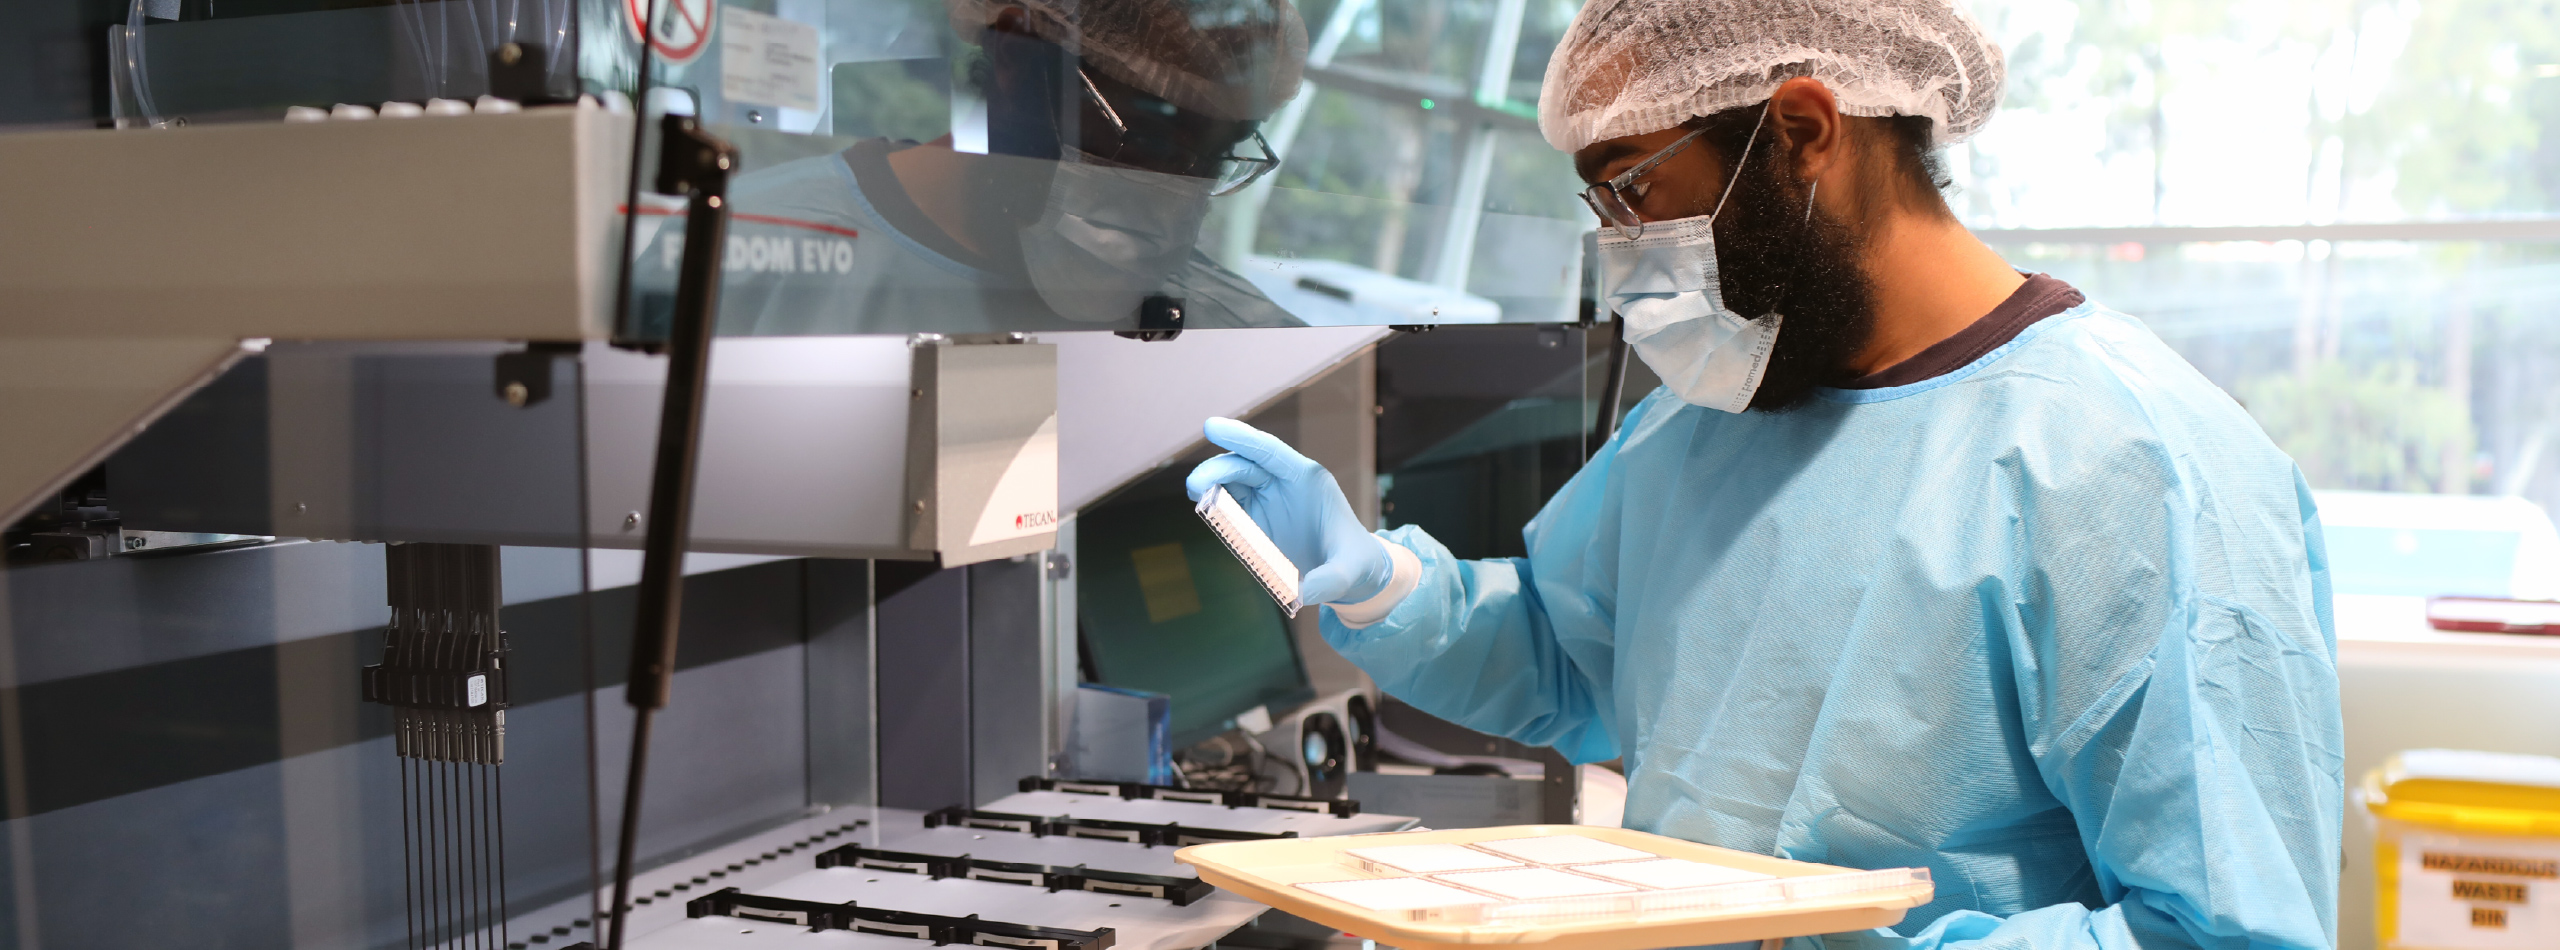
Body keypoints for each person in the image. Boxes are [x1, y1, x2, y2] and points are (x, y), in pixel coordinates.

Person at [1187, 1, 2343, 948]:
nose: (1621, 248)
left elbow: (2227, 928)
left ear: (1800, 130)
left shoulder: (2139, 469)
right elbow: (1576, 651)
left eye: (1632, 189)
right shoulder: (1712, 416)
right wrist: (1386, 582)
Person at [634, 0, 1308, 334]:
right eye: (1149, 136)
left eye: (1215, 153)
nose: (1177, 191)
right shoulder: (744, 253)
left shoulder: (1234, 333)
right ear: (1015, 52)